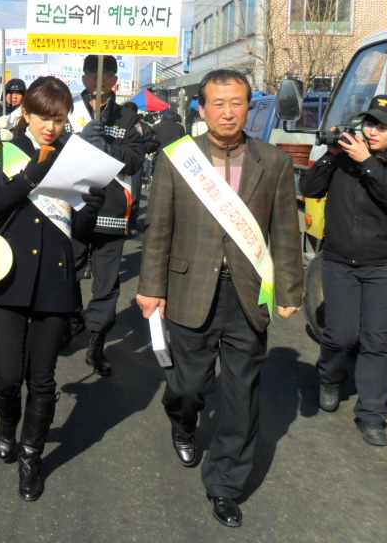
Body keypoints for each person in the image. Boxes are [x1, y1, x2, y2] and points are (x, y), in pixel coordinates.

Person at [137, 68, 303, 528]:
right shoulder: (178, 159)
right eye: (218, 104)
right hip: (190, 287)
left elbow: (286, 230)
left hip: (248, 294)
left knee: (241, 394)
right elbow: (159, 229)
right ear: (203, 109)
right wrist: (151, 286)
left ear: (248, 106)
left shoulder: (273, 161)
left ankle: (226, 484)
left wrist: (290, 288)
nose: (228, 112)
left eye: (236, 103)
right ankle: (183, 420)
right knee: (189, 386)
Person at [0, 76, 104, 501]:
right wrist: (28, 177)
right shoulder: (5, 152)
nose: (51, 126)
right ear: (25, 114)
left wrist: (93, 208)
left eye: (60, 118)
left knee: (42, 380)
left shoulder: (76, 157)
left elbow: (80, 229)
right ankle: (7, 423)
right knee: (7, 377)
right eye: (43, 116)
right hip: (7, 276)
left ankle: (32, 456)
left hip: (56, 278)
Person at [299, 95, 387, 447]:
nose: (372, 131)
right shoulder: (344, 160)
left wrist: (367, 161)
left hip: (384, 267)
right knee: (339, 335)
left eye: (382, 126)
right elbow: (308, 189)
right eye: (369, 123)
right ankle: (329, 378)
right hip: (339, 261)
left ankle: (372, 415)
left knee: (377, 341)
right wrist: (331, 156)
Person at [68, 54, 149, 375]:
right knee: (66, 272)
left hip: (112, 209)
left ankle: (97, 340)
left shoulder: (128, 116)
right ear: (84, 77)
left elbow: (134, 159)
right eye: (92, 74)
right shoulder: (69, 110)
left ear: (115, 80)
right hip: (71, 205)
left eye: (106, 75)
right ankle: (71, 319)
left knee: (106, 281)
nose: (98, 80)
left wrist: (107, 148)